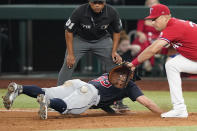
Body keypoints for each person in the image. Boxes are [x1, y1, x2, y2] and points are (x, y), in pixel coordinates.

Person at [128, 4, 197, 118]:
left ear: (166, 17)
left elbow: (153, 49)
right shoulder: (174, 25)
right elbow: (167, 50)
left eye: (155, 19)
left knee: (171, 65)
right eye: (151, 20)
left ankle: (179, 109)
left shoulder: (173, 27)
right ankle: (179, 109)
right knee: (172, 65)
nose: (153, 23)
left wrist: (132, 64)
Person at [2, 73, 163, 120]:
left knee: (45, 90)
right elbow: (146, 102)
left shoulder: (109, 74)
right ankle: (49, 102)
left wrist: (112, 112)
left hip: (78, 84)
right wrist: (163, 114)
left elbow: (106, 100)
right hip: (89, 94)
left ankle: (19, 88)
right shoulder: (130, 85)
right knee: (66, 108)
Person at [57, 0, 122, 86]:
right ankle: (60, 92)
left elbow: (117, 32)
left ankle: (117, 95)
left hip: (102, 40)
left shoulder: (111, 12)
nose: (97, 5)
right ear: (89, 2)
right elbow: (68, 31)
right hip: (80, 39)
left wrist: (114, 51)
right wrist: (70, 54)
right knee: (69, 63)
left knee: (115, 62)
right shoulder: (80, 11)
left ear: (105, 2)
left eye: (100, 3)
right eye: (94, 2)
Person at [131, 0, 161, 73]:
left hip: (156, 40)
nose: (152, 5)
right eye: (149, 4)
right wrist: (141, 34)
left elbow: (163, 31)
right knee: (143, 40)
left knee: (152, 43)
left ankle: (146, 61)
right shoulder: (143, 16)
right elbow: (139, 31)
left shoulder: (161, 17)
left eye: (154, 3)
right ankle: (148, 62)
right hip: (143, 40)